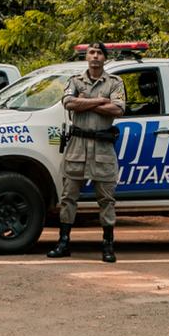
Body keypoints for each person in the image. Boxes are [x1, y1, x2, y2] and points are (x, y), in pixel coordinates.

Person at [48, 42, 125, 262]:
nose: (95, 56)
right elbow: (68, 102)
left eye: (99, 53)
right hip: (77, 145)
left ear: (104, 58)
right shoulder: (74, 81)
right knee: (68, 196)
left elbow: (118, 108)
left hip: (102, 146)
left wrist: (86, 102)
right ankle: (63, 243)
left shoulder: (115, 82)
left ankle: (108, 246)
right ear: (86, 57)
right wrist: (101, 100)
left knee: (106, 199)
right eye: (91, 53)